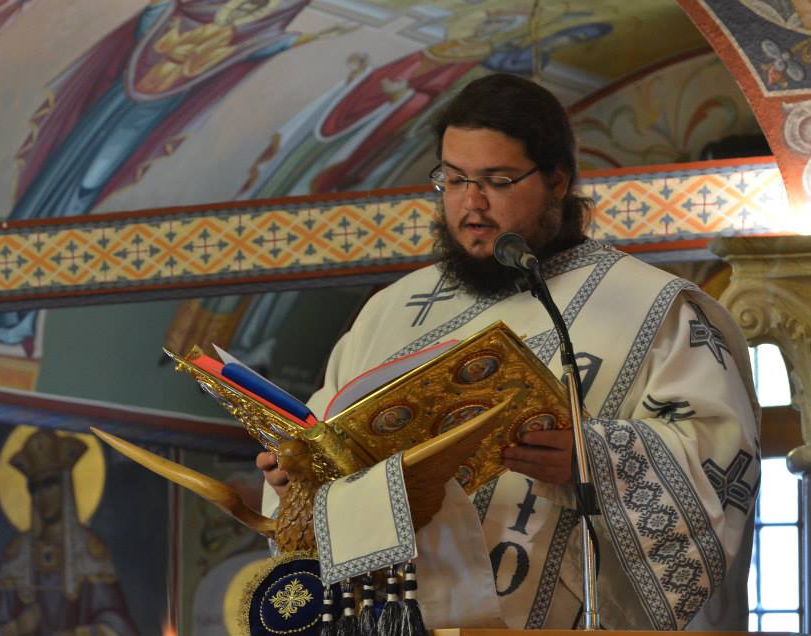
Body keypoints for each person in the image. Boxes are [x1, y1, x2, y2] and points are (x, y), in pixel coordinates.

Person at [257, 73, 760, 631]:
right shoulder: (390, 310)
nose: (471, 204)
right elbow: (325, 434)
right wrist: (298, 475)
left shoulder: (650, 306)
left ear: (557, 181)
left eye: (496, 181)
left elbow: (719, 460)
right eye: (453, 179)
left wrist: (595, 460)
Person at [0, 429, 138, 636]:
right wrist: (16, 629)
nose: (41, 495)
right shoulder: (18, 555)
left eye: (49, 484)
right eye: (35, 487)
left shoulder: (89, 551)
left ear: (65, 485)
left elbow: (118, 628)